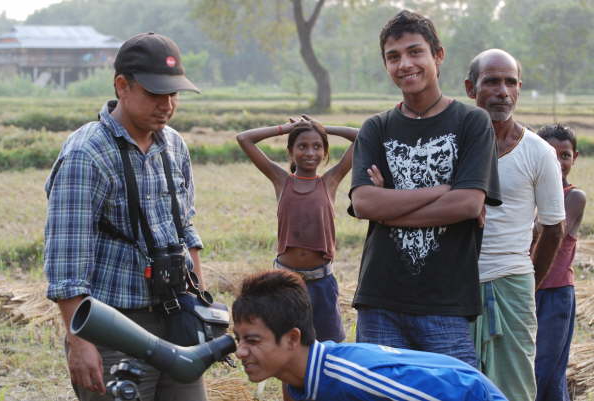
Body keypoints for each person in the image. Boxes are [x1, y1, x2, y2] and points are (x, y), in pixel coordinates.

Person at [44, 33, 207, 401]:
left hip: (175, 316)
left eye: (173, 95)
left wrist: (200, 301)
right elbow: (66, 262)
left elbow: (185, 226)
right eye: (154, 94)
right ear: (122, 86)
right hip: (113, 326)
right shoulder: (87, 154)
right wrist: (79, 341)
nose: (166, 105)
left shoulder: (173, 145)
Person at [349, 10, 501, 367]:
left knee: (452, 392)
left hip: (445, 303)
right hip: (379, 298)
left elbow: (466, 204)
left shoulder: (472, 122)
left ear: (438, 55)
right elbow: (365, 202)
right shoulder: (376, 128)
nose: (405, 64)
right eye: (393, 57)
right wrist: (441, 190)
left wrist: (391, 211)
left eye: (415, 52)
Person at [232, 269, 509, 401]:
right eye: (239, 339)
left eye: (253, 340)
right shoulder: (296, 382)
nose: (241, 352)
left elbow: (455, 390)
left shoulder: (351, 376)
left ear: (292, 338)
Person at [464, 49, 566, 400]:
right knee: (455, 383)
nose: (502, 91)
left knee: (515, 387)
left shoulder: (539, 152)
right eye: (491, 81)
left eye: (510, 82)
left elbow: (554, 228)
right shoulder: (452, 145)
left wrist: (528, 283)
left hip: (513, 282)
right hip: (451, 286)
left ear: (520, 88)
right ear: (470, 88)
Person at [236, 116, 357, 343]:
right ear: (291, 152)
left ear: (325, 152)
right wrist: (285, 128)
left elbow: (360, 137)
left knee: (328, 347)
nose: (310, 152)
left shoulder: (329, 181)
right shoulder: (281, 181)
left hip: (321, 283)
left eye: (317, 146)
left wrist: (320, 126)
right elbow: (244, 139)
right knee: (288, 348)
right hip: (286, 284)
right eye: (302, 146)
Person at [534, 124, 586, 401]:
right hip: (524, 290)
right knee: (525, 367)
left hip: (555, 294)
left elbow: (548, 229)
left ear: (574, 157)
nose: (558, 162)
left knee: (548, 370)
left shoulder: (574, 197)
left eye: (564, 156)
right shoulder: (527, 193)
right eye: (550, 155)